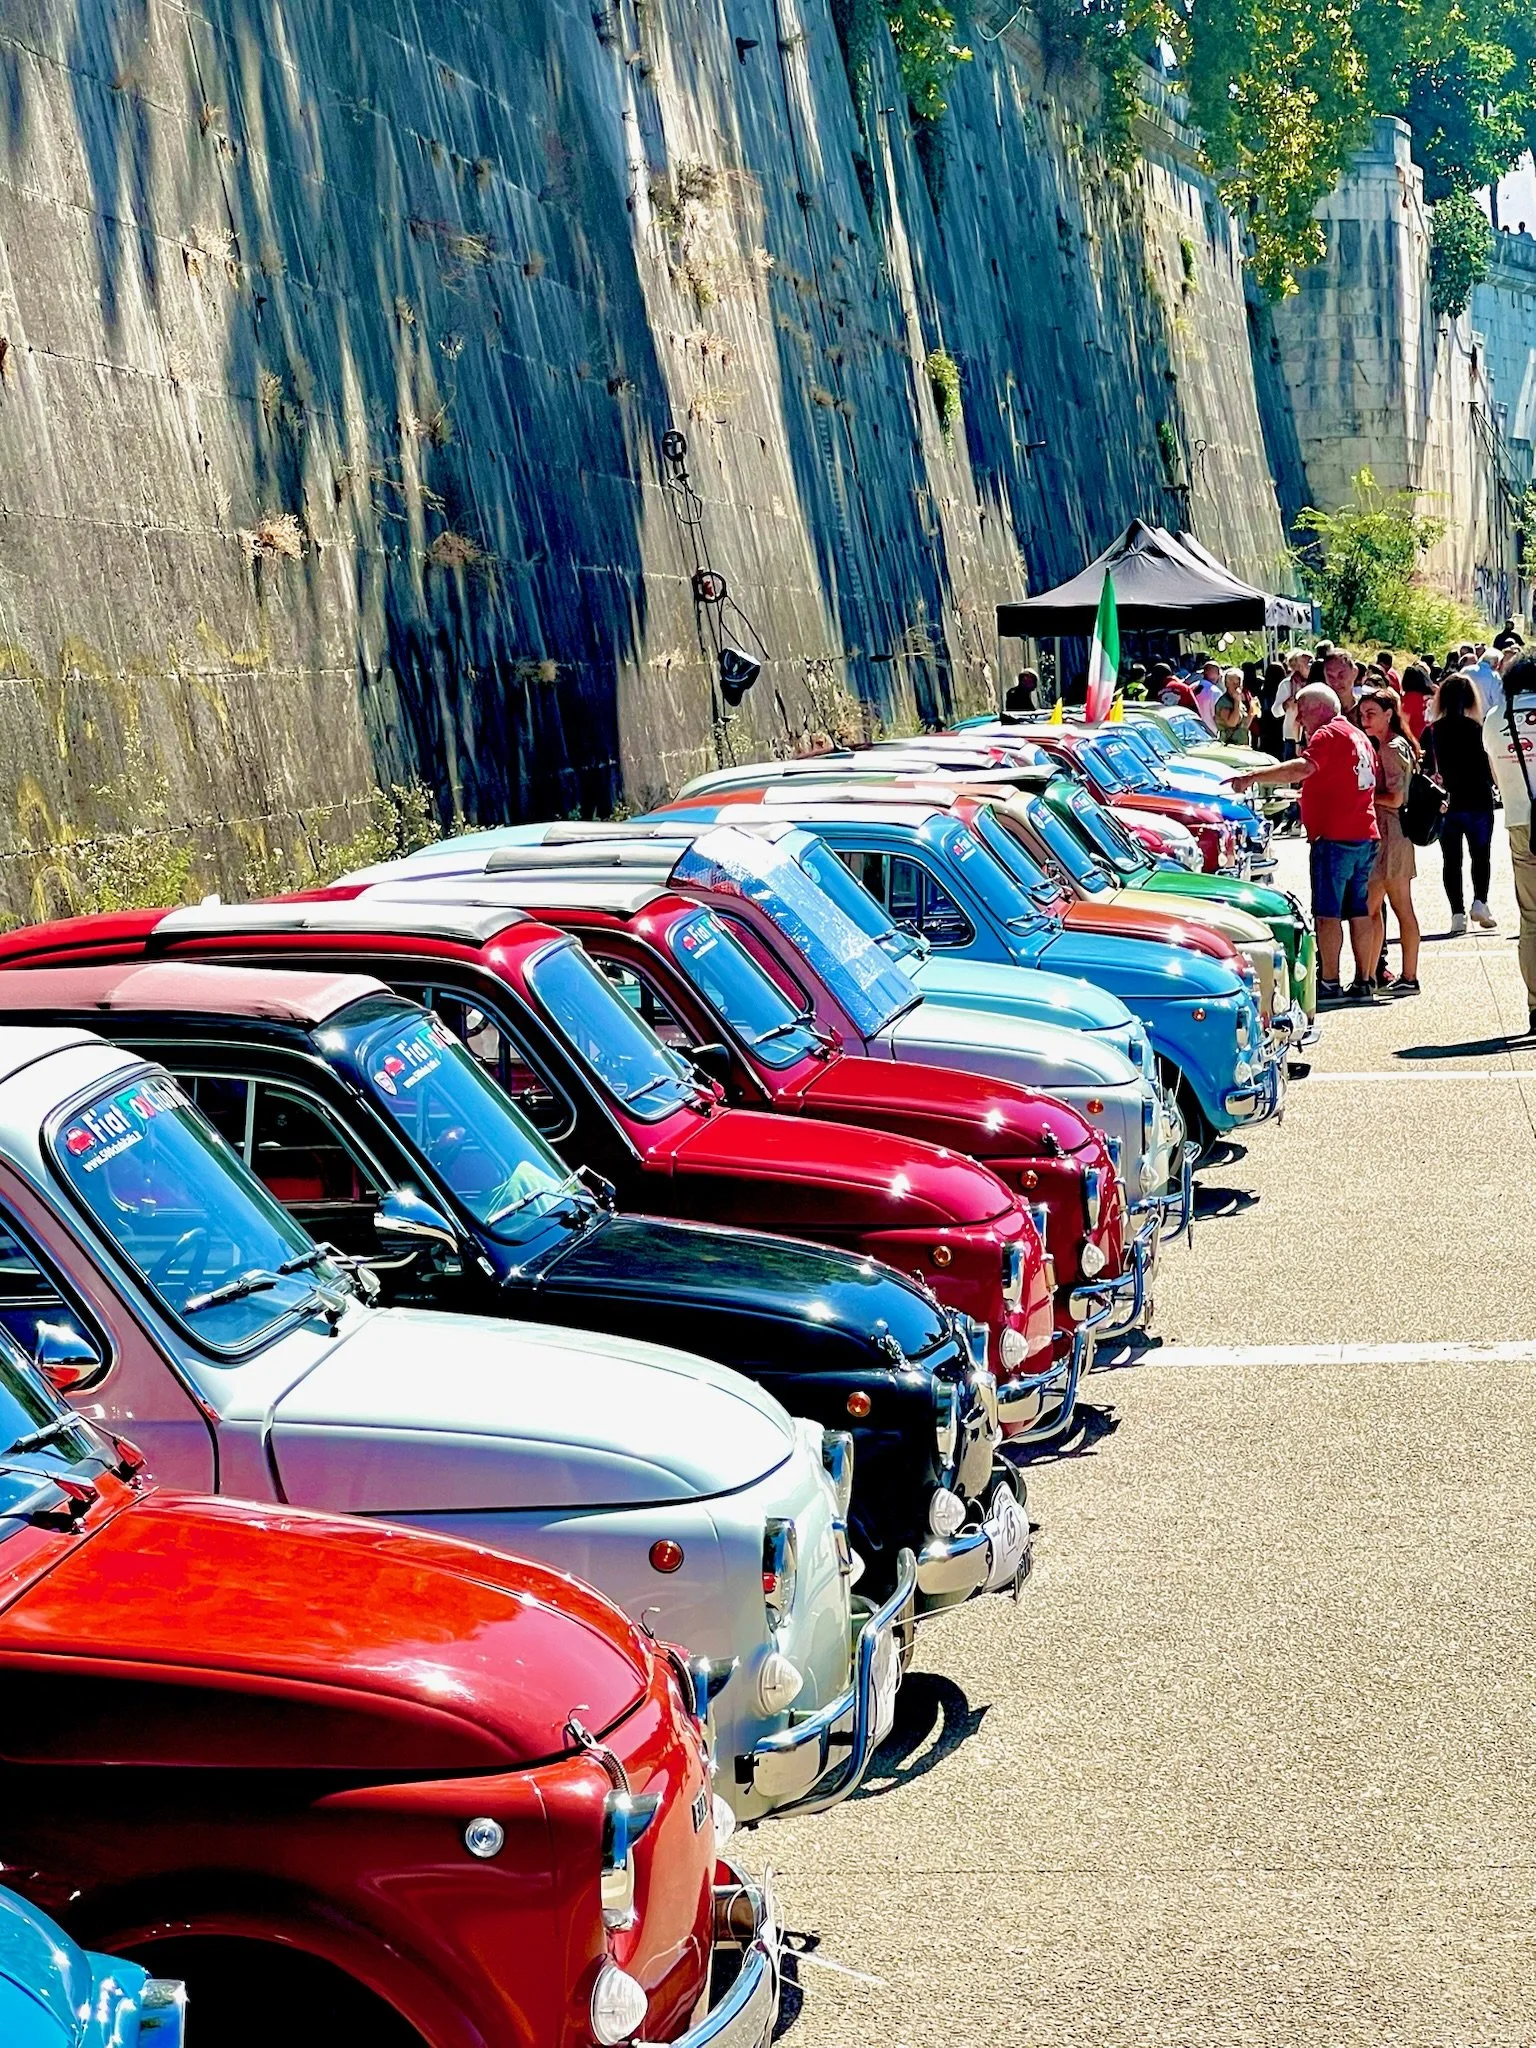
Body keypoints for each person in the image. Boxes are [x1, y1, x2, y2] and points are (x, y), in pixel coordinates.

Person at [1230, 683, 1380, 1003]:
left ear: (1317, 709)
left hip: (1335, 837)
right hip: (1363, 833)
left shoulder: (1327, 735)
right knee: (1359, 911)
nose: (1298, 719)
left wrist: (1254, 776)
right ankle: (1365, 979)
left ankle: (1329, 982)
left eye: (1301, 710)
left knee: (1327, 914)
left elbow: (1303, 768)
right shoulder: (1357, 735)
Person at [1482, 651, 1536, 1038]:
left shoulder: (1494, 720)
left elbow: (1497, 773)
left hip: (1520, 821)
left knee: (1532, 920)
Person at [1421, 672, 1497, 933]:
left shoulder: (1431, 732)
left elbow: (1426, 769)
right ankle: (1480, 901)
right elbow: (1490, 768)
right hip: (1479, 799)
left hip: (1448, 802)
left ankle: (1457, 914)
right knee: (1481, 854)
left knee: (1451, 860)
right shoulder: (1479, 729)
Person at [1358, 688, 1421, 995]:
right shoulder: (1392, 744)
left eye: (1371, 713)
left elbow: (1396, 798)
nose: (1364, 718)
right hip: (1392, 835)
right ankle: (1373, 976)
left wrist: (1363, 796)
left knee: (1390, 907)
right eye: (1362, 713)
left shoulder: (1391, 748)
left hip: (1391, 835)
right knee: (1378, 906)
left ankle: (1400, 977)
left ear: (1388, 714)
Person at [1212, 667, 1253, 742]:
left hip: (1242, 744)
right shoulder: (1224, 702)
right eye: (1234, 683)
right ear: (1227, 684)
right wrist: (1237, 702)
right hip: (1230, 744)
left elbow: (1244, 725)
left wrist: (1251, 711)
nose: (1237, 687)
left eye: (1239, 683)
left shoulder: (1238, 701)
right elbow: (1231, 723)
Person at [1398, 661, 1434, 741]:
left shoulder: (1410, 698)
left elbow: (1403, 723)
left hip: (1416, 738)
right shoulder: (1431, 696)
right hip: (1433, 737)